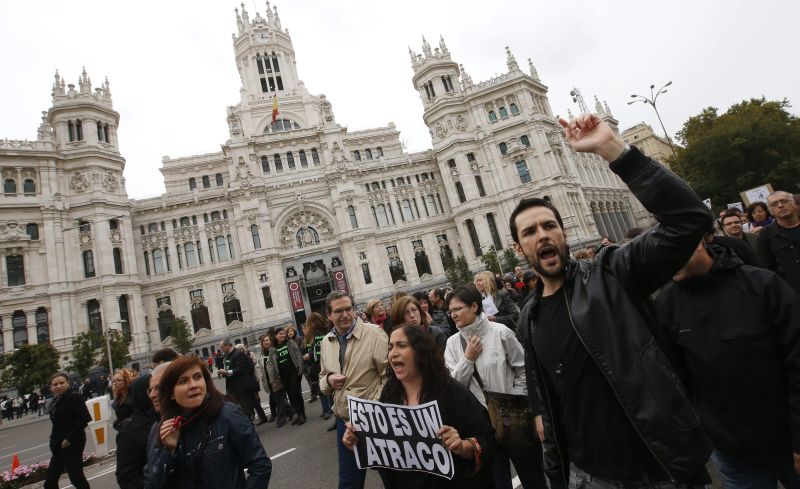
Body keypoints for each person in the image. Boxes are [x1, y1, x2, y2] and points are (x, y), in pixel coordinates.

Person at [511, 113, 713, 488]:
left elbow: (688, 219)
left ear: (564, 232)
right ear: (518, 246)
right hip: (588, 477)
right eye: (530, 231)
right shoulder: (529, 318)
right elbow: (548, 406)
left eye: (549, 225)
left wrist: (614, 150)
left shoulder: (612, 274)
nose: (542, 236)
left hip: (656, 468)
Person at [655, 239, 800, 488]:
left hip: (788, 437)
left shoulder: (762, 284)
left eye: (669, 252)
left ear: (697, 241)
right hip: (732, 451)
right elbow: (676, 377)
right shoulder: (666, 303)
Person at [343, 325, 496, 488]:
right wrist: (358, 442)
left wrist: (461, 446)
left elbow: (486, 439)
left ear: (420, 351)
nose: (393, 353)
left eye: (402, 345)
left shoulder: (451, 391)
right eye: (390, 347)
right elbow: (385, 453)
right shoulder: (390, 393)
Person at [443, 285, 545, 489]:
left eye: (457, 309)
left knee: (533, 479)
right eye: (450, 310)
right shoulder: (453, 344)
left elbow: (524, 369)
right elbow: (453, 386)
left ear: (474, 307)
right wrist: (468, 359)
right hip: (482, 428)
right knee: (497, 483)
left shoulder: (501, 333)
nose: (453, 314)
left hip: (514, 421)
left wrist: (514, 399)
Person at [145, 356, 272, 488]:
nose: (193, 385)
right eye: (183, 381)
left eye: (197, 377)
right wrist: (169, 452)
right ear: (170, 393)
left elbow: (260, 466)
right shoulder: (163, 428)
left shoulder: (227, 414)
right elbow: (153, 484)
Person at [319, 291, 389, 489]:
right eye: (338, 311)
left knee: (391, 475)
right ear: (329, 315)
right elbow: (322, 377)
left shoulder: (374, 333)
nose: (345, 315)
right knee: (349, 482)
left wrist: (371, 409)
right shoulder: (326, 342)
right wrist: (329, 380)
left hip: (375, 420)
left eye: (349, 309)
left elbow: (389, 376)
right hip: (345, 421)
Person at [44, 372, 92, 489]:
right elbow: (57, 425)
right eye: (55, 384)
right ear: (51, 387)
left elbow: (84, 419)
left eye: (61, 383)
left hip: (73, 442)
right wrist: (52, 440)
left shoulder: (73, 397)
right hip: (58, 444)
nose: (58, 386)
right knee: (50, 481)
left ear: (67, 383)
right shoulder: (55, 401)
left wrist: (68, 439)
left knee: (76, 478)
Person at [758, 191, 800, 293]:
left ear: (794, 204)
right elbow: (768, 266)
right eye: (774, 204)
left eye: (784, 201)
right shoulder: (765, 235)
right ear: (770, 210)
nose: (780, 205)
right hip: (792, 292)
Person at [266, 325, 306, 426]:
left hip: (293, 371)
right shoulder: (273, 348)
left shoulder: (290, 342)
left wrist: (301, 368)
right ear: (275, 336)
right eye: (280, 334)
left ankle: (302, 415)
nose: (283, 335)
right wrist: (272, 378)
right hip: (283, 374)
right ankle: (297, 413)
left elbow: (297, 354)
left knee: (295, 393)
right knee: (290, 395)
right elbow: (270, 363)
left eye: (284, 333)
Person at [217, 338, 259, 422]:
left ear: (228, 345)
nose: (221, 349)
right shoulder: (226, 355)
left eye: (222, 347)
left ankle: (249, 425)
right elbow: (228, 367)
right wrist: (223, 373)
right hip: (231, 386)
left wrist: (227, 372)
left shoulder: (238, 353)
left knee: (244, 407)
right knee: (233, 408)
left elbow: (242, 369)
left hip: (241, 386)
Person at [302, 313, 333, 418]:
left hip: (320, 364)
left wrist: (309, 355)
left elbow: (317, 349)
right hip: (323, 362)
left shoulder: (317, 334)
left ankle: (327, 410)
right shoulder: (325, 331)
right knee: (326, 387)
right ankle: (328, 409)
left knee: (324, 388)